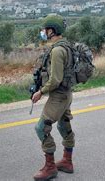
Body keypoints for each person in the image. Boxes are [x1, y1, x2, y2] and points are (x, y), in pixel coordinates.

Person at [31, 15, 76, 181]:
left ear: (52, 30)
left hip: (58, 96)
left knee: (41, 128)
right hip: (67, 94)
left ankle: (50, 167)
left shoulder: (57, 50)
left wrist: (40, 92)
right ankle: (67, 161)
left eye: (45, 29)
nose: (43, 32)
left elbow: (55, 79)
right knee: (64, 126)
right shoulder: (66, 46)